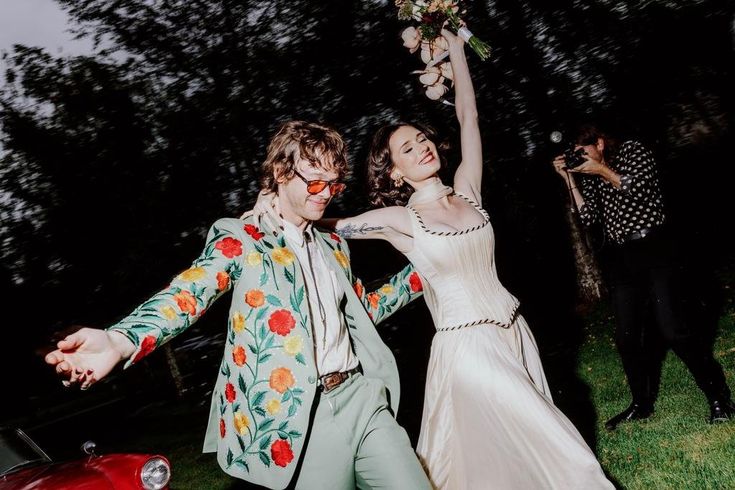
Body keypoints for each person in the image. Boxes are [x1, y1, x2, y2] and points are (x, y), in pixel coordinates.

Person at [257, 30, 613, 489]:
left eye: (422, 138)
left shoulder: (468, 189)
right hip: (467, 349)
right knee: (560, 446)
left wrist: (456, 49)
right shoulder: (401, 219)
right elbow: (331, 222)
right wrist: (278, 205)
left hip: (513, 332)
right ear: (394, 172)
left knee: (514, 450)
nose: (422, 146)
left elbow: (468, 115)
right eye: (407, 149)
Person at [44, 120, 432, 490]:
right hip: (303, 419)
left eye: (334, 185)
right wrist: (121, 340)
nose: (325, 194)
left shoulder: (334, 245)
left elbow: (363, 311)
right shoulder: (243, 238)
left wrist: (431, 268)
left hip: (362, 399)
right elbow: (187, 295)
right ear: (281, 174)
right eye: (314, 182)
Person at [552, 122, 735, 429]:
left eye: (582, 151)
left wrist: (600, 171)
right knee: (626, 338)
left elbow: (639, 188)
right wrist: (569, 179)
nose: (579, 157)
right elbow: (588, 217)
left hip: (656, 248)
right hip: (622, 259)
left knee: (674, 330)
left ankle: (719, 397)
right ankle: (641, 404)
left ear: (599, 143)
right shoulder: (592, 176)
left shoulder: (632, 151)